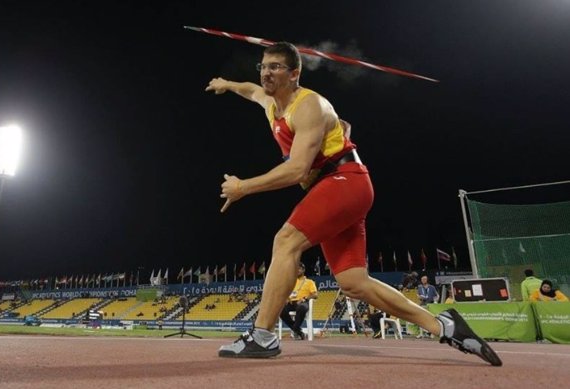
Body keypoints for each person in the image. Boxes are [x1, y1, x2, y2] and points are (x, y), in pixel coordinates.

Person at [208, 42, 501, 366]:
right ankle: (444, 325)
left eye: (276, 67)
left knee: (286, 241)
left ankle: (262, 336)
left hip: (345, 182)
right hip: (337, 187)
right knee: (353, 283)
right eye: (263, 66)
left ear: (295, 74)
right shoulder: (270, 103)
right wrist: (227, 84)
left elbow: (297, 169)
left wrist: (242, 187)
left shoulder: (308, 106)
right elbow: (250, 91)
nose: (266, 72)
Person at [279, 262, 318, 340]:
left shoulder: (309, 282)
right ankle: (298, 331)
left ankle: (296, 329)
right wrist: (286, 298)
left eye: (299, 269)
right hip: (291, 302)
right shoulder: (291, 282)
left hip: (302, 302)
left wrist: (304, 299)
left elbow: (315, 295)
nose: (297, 271)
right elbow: (286, 293)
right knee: (280, 310)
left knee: (301, 307)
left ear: (303, 270)